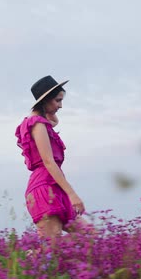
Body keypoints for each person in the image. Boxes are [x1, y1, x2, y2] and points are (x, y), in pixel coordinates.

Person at [15, 75, 88, 239]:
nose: (60, 106)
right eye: (57, 100)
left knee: (89, 235)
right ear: (45, 99)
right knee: (52, 252)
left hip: (55, 186)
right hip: (44, 188)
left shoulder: (38, 122)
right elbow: (48, 161)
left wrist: (49, 109)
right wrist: (73, 194)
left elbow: (54, 121)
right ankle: (22, 261)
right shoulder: (38, 125)